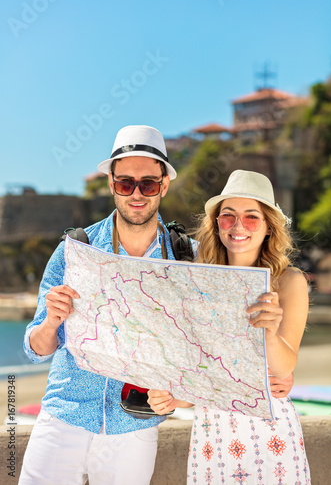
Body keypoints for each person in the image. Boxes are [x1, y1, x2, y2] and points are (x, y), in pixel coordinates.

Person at [19, 125, 178, 485]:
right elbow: (36, 348)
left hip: (134, 422)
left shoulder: (187, 258)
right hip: (64, 414)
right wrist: (50, 322)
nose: (137, 194)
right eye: (126, 183)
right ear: (111, 183)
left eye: (148, 184)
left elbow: (196, 352)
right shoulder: (75, 249)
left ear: (164, 185)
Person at [148, 170, 311, 484]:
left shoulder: (290, 282)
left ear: (267, 228)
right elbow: (200, 376)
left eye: (252, 217)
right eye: (228, 216)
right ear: (216, 224)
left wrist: (269, 332)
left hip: (271, 431)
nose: (238, 226)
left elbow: (283, 367)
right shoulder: (196, 282)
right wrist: (170, 398)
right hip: (213, 434)